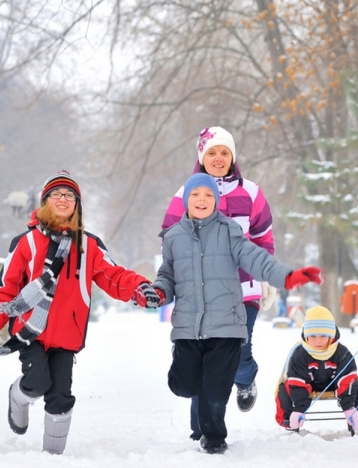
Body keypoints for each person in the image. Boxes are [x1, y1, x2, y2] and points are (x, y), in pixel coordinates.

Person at [0, 170, 161, 455]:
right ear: (45, 201)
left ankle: (52, 458)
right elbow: (7, 290)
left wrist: (140, 288)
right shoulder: (25, 243)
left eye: (70, 195)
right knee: (37, 383)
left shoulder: (89, 245)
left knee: (61, 397)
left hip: (67, 335)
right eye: (56, 194)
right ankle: (18, 395)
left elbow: (113, 276)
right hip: (30, 332)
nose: (63, 199)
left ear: (77, 204)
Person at [153, 173, 322, 454]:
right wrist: (158, 292)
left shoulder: (229, 230)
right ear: (186, 201)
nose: (202, 200)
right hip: (188, 326)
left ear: (216, 201)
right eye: (196, 195)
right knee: (184, 385)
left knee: (215, 390)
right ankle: (192, 387)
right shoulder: (173, 238)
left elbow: (255, 258)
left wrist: (287, 277)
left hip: (226, 324)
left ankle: (214, 440)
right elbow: (167, 276)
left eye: (208, 195)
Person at [161, 126, 276, 427]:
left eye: (225, 152)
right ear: (201, 157)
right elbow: (170, 238)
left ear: (232, 157)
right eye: (212, 152)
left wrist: (265, 275)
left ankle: (246, 377)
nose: (218, 158)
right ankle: (200, 429)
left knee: (239, 348)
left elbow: (264, 237)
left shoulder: (250, 192)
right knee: (204, 357)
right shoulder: (184, 194)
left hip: (243, 287)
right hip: (200, 290)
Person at [274, 305, 358, 433]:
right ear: (306, 336)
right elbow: (297, 382)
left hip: (336, 385)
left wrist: (349, 408)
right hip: (307, 386)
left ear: (331, 335)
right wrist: (299, 409)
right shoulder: (299, 355)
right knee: (285, 387)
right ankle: (289, 418)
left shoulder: (342, 353)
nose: (318, 341)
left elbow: (347, 380)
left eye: (323, 336)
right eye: (313, 336)